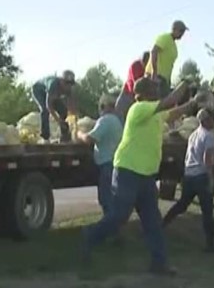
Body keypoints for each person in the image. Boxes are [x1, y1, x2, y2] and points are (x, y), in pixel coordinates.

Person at [80, 77, 200, 275]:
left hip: (146, 174)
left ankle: (159, 264)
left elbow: (172, 113)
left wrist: (194, 103)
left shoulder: (154, 113)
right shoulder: (138, 109)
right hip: (128, 170)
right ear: (143, 93)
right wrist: (185, 84)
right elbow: (169, 101)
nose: (157, 90)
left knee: (152, 221)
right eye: (154, 88)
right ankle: (90, 235)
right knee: (119, 216)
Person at [162, 108, 214, 252]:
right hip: (201, 176)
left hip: (189, 175)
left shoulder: (194, 134)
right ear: (206, 120)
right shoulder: (209, 137)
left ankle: (162, 224)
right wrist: (211, 177)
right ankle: (210, 244)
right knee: (207, 211)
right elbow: (208, 160)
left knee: (182, 204)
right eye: (213, 118)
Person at [76, 94, 124, 218]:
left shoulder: (105, 120)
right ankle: (113, 227)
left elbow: (89, 139)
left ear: (103, 106)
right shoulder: (117, 121)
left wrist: (79, 133)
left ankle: (109, 229)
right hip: (114, 163)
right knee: (112, 200)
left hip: (106, 165)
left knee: (106, 200)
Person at [31, 70, 77, 142]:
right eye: (66, 84)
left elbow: (71, 104)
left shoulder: (68, 89)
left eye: (70, 84)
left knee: (63, 111)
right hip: (39, 90)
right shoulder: (53, 85)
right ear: (61, 81)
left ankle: (64, 136)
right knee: (45, 111)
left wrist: (73, 116)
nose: (68, 86)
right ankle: (45, 137)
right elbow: (49, 106)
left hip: (52, 95)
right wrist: (58, 120)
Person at [146, 20, 188, 97]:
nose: (182, 34)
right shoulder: (165, 38)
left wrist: (168, 81)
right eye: (181, 31)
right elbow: (154, 51)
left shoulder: (173, 44)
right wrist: (154, 73)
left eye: (183, 32)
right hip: (155, 77)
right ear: (174, 29)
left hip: (164, 80)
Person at [115, 51, 150, 116]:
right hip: (128, 94)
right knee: (120, 116)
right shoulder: (135, 65)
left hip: (138, 96)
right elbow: (136, 85)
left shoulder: (149, 68)